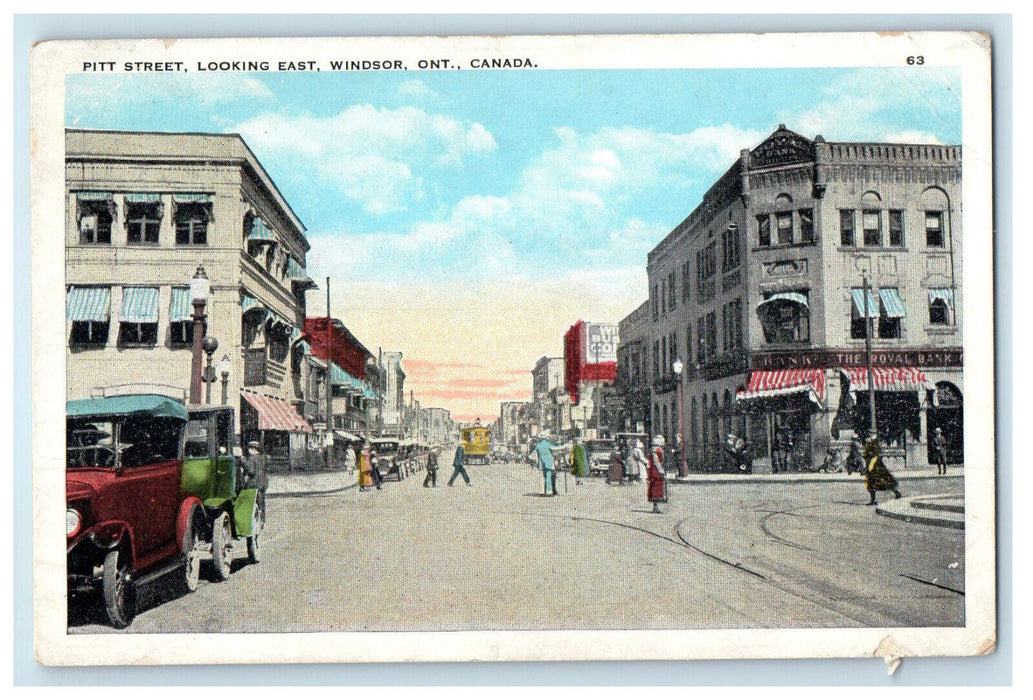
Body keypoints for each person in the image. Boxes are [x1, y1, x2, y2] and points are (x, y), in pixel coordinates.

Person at [863, 438, 902, 505]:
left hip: (875, 467)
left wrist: (870, 467)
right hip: (873, 466)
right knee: (872, 484)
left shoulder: (873, 442)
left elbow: (876, 455)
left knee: (882, 482)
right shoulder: (869, 442)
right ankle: (873, 500)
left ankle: (896, 493)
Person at [241, 441, 269, 518]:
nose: (248, 451)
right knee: (262, 500)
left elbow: (251, 471)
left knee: (254, 500)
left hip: (255, 481)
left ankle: (256, 516)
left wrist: (245, 474)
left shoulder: (251, 458)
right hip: (263, 480)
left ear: (253, 449)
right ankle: (262, 518)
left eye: (249, 449)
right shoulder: (263, 457)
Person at [647, 435, 667, 514]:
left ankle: (656, 506)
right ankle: (655, 506)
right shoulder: (657, 450)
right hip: (656, 471)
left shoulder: (656, 449)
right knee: (656, 487)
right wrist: (661, 470)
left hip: (655, 470)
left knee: (656, 487)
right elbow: (657, 462)